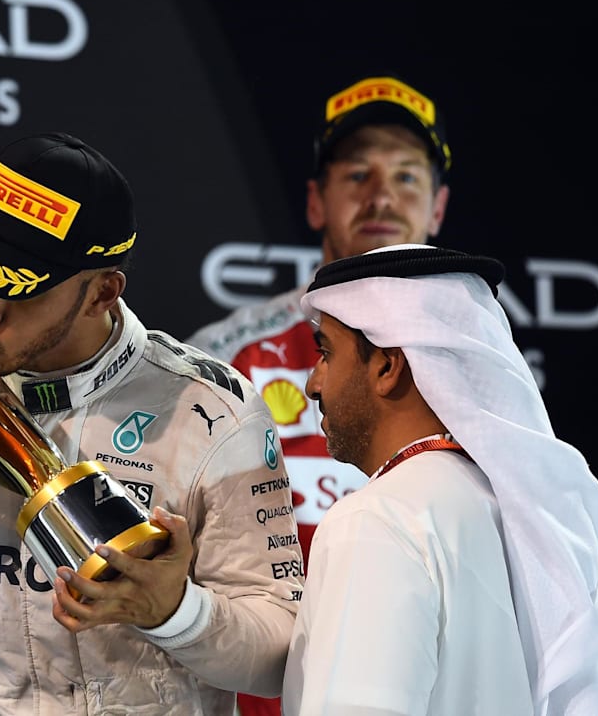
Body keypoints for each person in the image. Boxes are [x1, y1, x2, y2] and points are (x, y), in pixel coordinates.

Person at [0, 132, 301, 714]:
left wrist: (177, 612)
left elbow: (282, 657)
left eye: (17, 288)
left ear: (104, 290)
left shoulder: (213, 411)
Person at [186, 74, 451, 716]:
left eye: (407, 176)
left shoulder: (477, 374)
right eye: (356, 175)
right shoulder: (230, 355)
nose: (381, 196)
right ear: (315, 202)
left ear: (438, 208)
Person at [282, 243, 598, 716]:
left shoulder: (376, 520)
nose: (313, 384)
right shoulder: (524, 514)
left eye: (327, 354)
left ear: (387, 366)